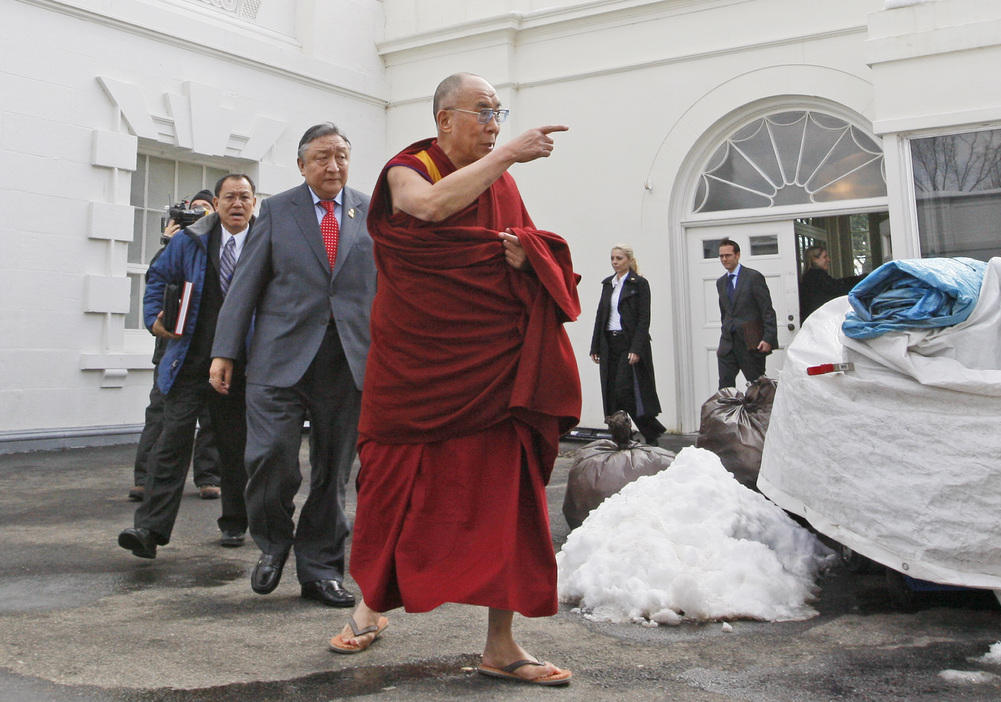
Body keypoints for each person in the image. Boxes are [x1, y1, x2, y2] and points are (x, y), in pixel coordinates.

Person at [333, 72, 579, 688]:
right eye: (483, 110)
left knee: (505, 501)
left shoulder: (502, 180)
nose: (494, 120)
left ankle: (502, 645)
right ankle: (371, 607)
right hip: (415, 365)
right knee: (396, 486)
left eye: (499, 110)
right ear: (445, 118)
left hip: (489, 371)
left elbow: (528, 251)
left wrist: (529, 258)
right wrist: (507, 154)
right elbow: (428, 207)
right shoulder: (407, 167)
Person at [209, 123, 376, 609]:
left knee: (333, 471)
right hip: (279, 357)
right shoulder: (278, 210)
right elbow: (245, 284)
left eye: (341, 155)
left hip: (346, 360)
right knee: (269, 459)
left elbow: (388, 287)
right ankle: (274, 540)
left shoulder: (370, 211)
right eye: (322, 157)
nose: (334, 166)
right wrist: (225, 351)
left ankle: (321, 568)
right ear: (302, 165)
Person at [117, 175, 256, 558]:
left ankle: (234, 522)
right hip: (189, 360)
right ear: (217, 201)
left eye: (245, 196)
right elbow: (158, 278)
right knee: (170, 443)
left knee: (234, 448)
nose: (237, 204)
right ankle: (148, 530)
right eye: (230, 197)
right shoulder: (188, 240)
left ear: (254, 201)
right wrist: (153, 318)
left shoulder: (267, 242)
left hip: (241, 365)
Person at [129, 190, 221, 503]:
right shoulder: (177, 245)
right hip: (171, 349)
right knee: (160, 414)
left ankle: (209, 477)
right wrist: (167, 243)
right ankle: (145, 478)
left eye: (205, 209)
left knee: (211, 417)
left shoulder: (220, 244)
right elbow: (157, 279)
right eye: (193, 210)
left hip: (209, 348)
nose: (199, 215)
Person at [589, 245, 665, 445]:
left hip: (628, 342)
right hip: (609, 342)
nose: (615, 262)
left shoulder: (639, 284)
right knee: (612, 392)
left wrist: (636, 348)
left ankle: (651, 429)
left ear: (629, 260)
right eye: (612, 258)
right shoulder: (608, 284)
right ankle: (621, 435)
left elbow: (643, 318)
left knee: (624, 389)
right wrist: (595, 346)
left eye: (619, 258)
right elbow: (600, 316)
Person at [716, 238, 778, 389]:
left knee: (757, 386)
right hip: (728, 342)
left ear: (737, 255)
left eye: (728, 255)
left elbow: (767, 310)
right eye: (721, 256)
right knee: (725, 386)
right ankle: (727, 412)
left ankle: (760, 412)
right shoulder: (721, 282)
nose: (724, 259)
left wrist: (768, 337)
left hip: (750, 341)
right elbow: (725, 312)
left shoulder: (752, 277)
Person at [798, 245, 863, 322]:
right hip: (818, 320)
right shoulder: (817, 276)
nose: (828, 260)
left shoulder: (810, 276)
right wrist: (861, 286)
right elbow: (837, 289)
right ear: (815, 259)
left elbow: (835, 284)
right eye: (825, 257)